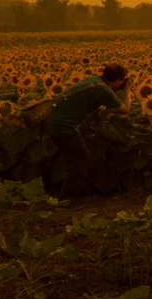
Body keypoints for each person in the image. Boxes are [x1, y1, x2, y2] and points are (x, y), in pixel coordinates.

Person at [47, 63, 133, 198]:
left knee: (77, 159)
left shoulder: (93, 80)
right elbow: (125, 109)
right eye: (122, 80)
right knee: (81, 160)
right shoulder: (103, 90)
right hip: (63, 126)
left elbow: (105, 95)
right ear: (117, 80)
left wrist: (118, 88)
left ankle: (73, 194)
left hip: (53, 120)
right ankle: (65, 200)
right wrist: (127, 89)